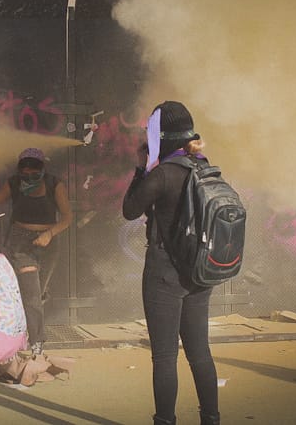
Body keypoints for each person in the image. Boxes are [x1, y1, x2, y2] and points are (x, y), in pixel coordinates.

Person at [122, 101, 220, 425]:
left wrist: (141, 168)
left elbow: (130, 210)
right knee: (200, 353)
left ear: (160, 137)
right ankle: (211, 419)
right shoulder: (204, 167)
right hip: (200, 271)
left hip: (165, 273)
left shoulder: (162, 174)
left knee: (165, 357)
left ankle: (165, 420)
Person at [0, 147, 72, 357]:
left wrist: (49, 234)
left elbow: (67, 217)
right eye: (24, 173)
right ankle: (36, 343)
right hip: (20, 243)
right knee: (31, 294)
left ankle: (27, 329)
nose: (28, 178)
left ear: (42, 170)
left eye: (34, 173)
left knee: (38, 293)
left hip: (48, 243)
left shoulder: (55, 185)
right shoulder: (14, 184)